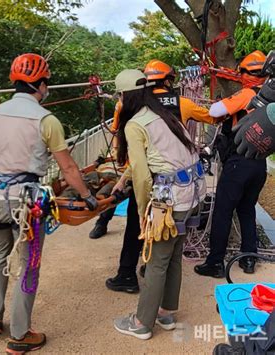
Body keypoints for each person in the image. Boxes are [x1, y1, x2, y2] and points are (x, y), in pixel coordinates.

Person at [0, 53, 97, 354]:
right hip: (26, 201)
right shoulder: (46, 120)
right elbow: (69, 167)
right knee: (28, 263)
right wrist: (86, 196)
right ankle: (20, 334)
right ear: (42, 85)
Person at [111, 69, 206, 340]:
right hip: (192, 193)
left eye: (119, 95)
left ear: (125, 96)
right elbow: (151, 158)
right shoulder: (164, 115)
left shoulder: (135, 124)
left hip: (171, 199)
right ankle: (166, 312)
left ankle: (142, 322)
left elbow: (142, 176)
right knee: (174, 255)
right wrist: (122, 180)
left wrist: (143, 212)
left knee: (156, 260)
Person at [194, 50, 268, 278]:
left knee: (223, 212)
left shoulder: (248, 94)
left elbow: (215, 111)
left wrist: (226, 102)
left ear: (247, 74)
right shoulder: (271, 96)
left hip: (238, 163)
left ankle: (215, 262)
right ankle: (249, 258)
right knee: (246, 210)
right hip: (259, 164)